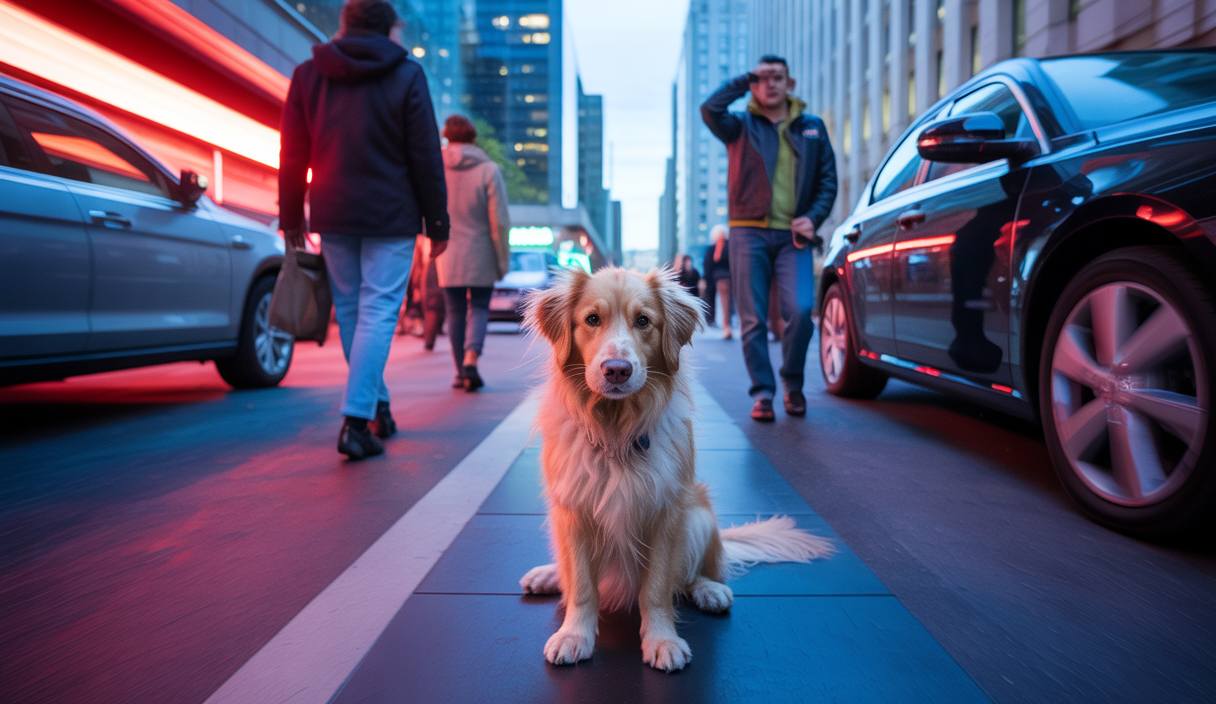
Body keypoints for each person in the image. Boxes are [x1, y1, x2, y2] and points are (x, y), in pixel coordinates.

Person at [279, 0, 449, 458]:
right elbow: (425, 156)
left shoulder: (307, 74)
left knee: (354, 312)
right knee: (377, 313)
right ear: (387, 28)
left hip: (333, 212)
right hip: (390, 214)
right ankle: (355, 423)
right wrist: (437, 223)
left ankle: (379, 408)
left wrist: (291, 216)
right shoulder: (407, 74)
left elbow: (293, 152)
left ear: (345, 23)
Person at [701, 55, 837, 422]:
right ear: (753, 84)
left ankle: (792, 384)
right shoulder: (739, 126)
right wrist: (743, 79)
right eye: (761, 78)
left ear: (788, 83)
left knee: (799, 312)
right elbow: (710, 109)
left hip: (793, 237)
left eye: (777, 77)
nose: (770, 83)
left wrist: (814, 217)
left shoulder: (811, 127)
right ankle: (763, 392)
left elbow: (828, 181)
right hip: (748, 233)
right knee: (753, 319)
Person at [434, 115, 510, 392]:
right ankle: (471, 360)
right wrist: (503, 257)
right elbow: (499, 219)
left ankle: (459, 372)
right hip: (481, 251)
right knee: (478, 308)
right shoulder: (489, 169)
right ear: (473, 137)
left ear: (446, 136)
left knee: (454, 312)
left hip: (447, 251)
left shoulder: (435, 167)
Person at [702, 224, 732, 338]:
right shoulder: (728, 247)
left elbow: (708, 265)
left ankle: (726, 326)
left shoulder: (720, 248)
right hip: (723, 280)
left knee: (725, 303)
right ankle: (726, 326)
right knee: (725, 303)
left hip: (722, 279)